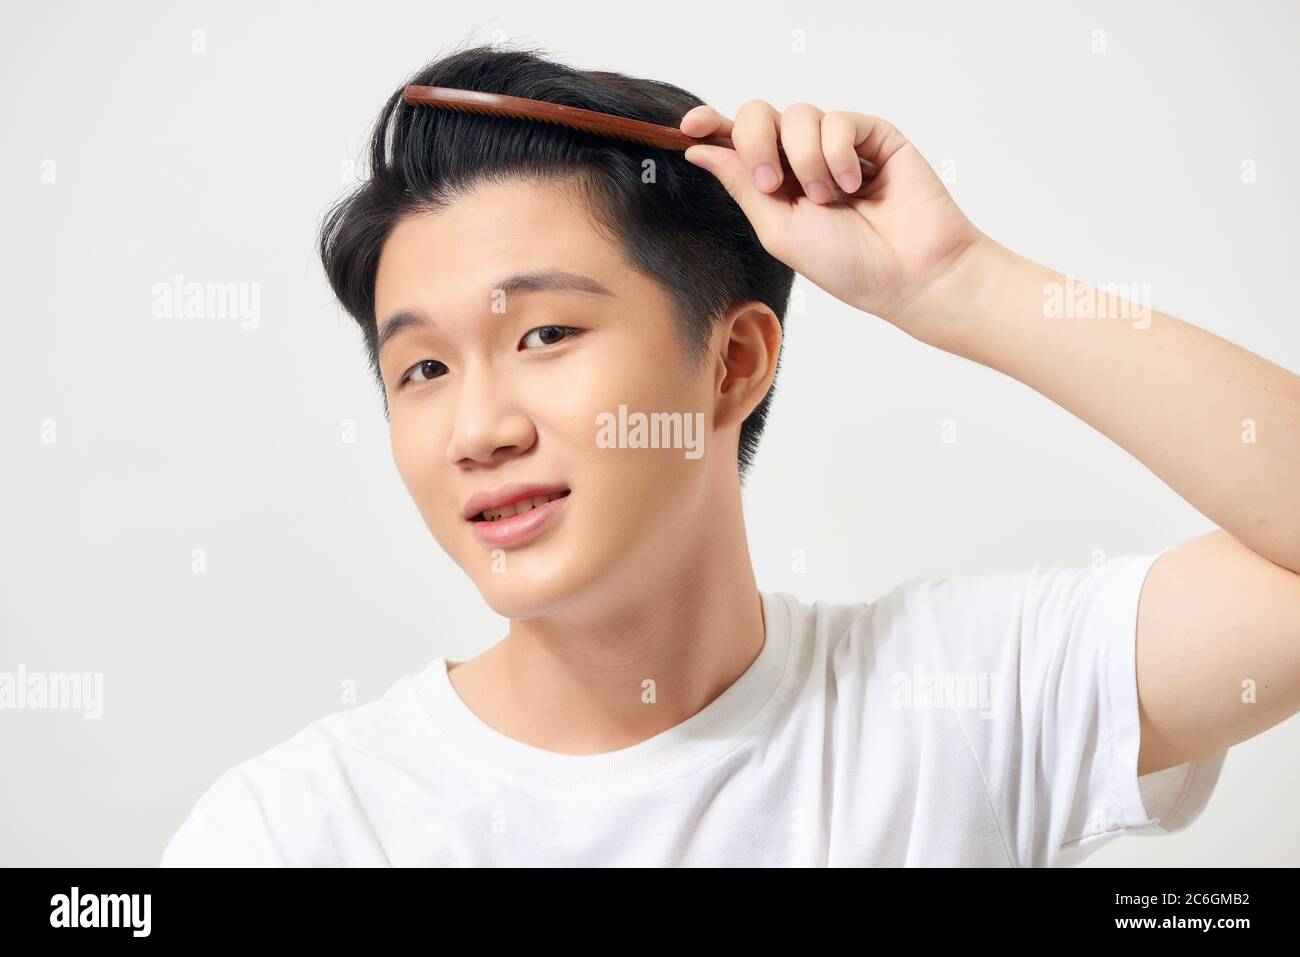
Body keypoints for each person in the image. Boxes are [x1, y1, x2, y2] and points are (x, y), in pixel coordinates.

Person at [160, 43, 1300, 867]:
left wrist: (954, 284)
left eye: (544, 334)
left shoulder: (957, 700)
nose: (477, 430)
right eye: (423, 371)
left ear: (734, 362)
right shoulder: (295, 832)